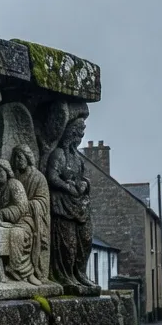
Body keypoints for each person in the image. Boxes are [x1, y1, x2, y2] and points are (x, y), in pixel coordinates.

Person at [46, 118, 96, 288]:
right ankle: (66, 276)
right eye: (77, 133)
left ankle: (80, 273)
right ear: (70, 134)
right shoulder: (59, 154)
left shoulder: (78, 158)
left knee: (86, 241)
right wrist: (67, 187)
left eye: (81, 134)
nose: (80, 137)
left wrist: (84, 184)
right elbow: (52, 176)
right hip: (63, 206)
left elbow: (84, 177)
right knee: (68, 244)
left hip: (80, 206)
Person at [0, 158, 37, 283]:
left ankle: (20, 270)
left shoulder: (14, 184)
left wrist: (0, 213)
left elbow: (21, 208)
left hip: (22, 221)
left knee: (17, 234)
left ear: (7, 172)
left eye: (0, 170)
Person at [12, 145, 52, 285]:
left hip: (32, 217)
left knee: (19, 234)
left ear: (28, 158)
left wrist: (26, 204)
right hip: (15, 215)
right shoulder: (15, 177)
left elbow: (43, 201)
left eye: (20, 157)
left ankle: (26, 271)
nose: (17, 160)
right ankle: (14, 270)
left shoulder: (38, 178)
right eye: (15, 157)